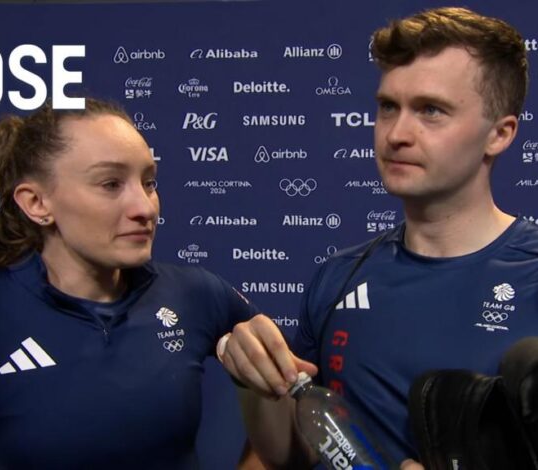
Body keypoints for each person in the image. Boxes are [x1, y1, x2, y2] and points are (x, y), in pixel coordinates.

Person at [218, 7, 538, 469]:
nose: (397, 134)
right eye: (388, 106)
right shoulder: (339, 277)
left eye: (431, 110)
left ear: (499, 134)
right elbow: (293, 456)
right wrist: (254, 386)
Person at [0, 98, 311, 469]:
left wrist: (259, 388)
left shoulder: (196, 294)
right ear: (36, 203)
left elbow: (292, 452)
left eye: (149, 183)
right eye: (110, 184)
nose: (145, 208)